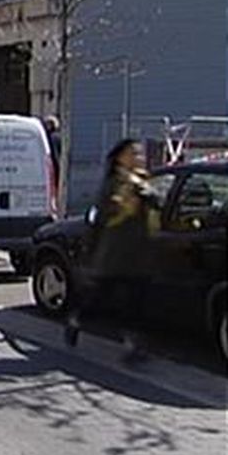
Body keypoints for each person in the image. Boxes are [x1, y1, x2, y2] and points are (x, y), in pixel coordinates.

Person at [65, 139, 162, 361]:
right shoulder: (113, 183)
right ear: (120, 157)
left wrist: (147, 194)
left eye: (138, 153)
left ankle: (132, 345)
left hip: (139, 254)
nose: (137, 157)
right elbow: (104, 216)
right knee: (99, 299)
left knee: (135, 303)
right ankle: (76, 320)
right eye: (132, 153)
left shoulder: (143, 180)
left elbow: (157, 203)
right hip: (114, 254)